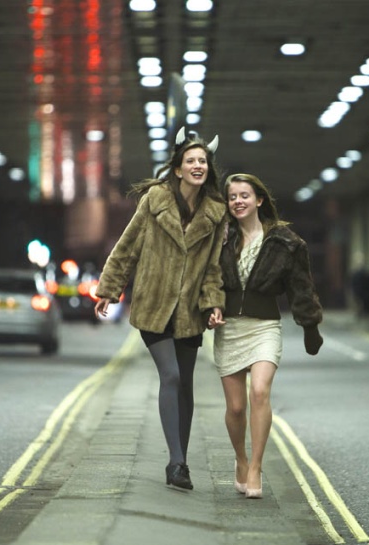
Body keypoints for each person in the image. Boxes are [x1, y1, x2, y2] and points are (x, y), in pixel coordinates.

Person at [94, 127, 227, 491]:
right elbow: (128, 247)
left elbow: (213, 267)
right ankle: (176, 462)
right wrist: (110, 289)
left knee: (186, 384)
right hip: (154, 305)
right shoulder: (155, 200)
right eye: (191, 161)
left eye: (203, 161)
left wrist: (213, 304)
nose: (198, 166)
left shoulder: (216, 212)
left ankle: (181, 461)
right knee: (170, 376)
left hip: (190, 312)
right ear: (178, 168)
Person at [211, 173, 323, 499]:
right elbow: (208, 280)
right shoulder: (220, 238)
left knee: (259, 392)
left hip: (264, 328)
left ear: (259, 200)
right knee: (236, 408)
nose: (238, 202)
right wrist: (209, 308)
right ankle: (241, 459)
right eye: (232, 197)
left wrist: (310, 326)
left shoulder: (285, 242)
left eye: (244, 195)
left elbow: (301, 287)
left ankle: (257, 467)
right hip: (230, 329)